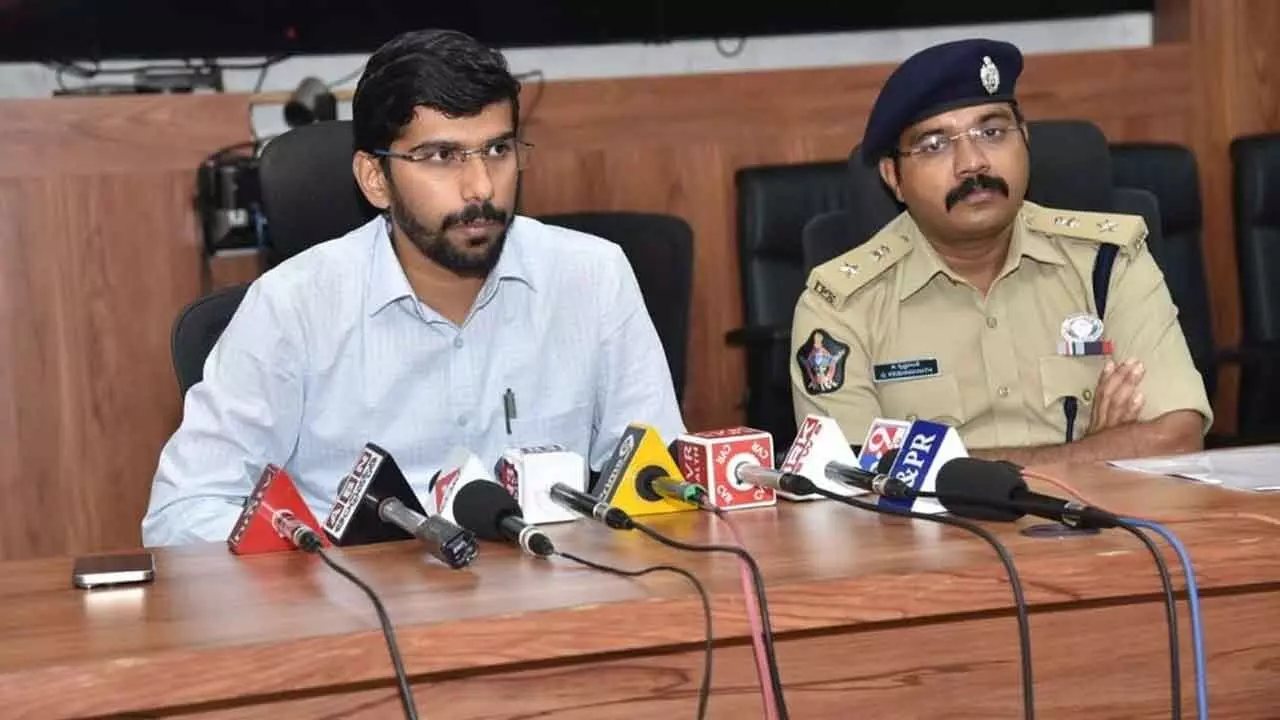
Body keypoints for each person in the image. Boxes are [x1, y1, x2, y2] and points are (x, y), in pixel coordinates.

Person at [143, 29, 684, 545]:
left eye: (498, 150)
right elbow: (185, 511)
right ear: (375, 179)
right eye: (442, 156)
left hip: (556, 607)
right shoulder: (292, 307)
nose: (480, 187)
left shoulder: (592, 276)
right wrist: (317, 563)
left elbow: (661, 484)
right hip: (359, 618)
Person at [790, 38, 1211, 465]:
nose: (973, 163)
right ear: (893, 177)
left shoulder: (1107, 262)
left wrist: (931, 466)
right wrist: (1091, 454)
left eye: (991, 133)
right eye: (935, 144)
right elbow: (850, 479)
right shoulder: (843, 305)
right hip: (928, 533)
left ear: (1024, 140)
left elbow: (1176, 438)